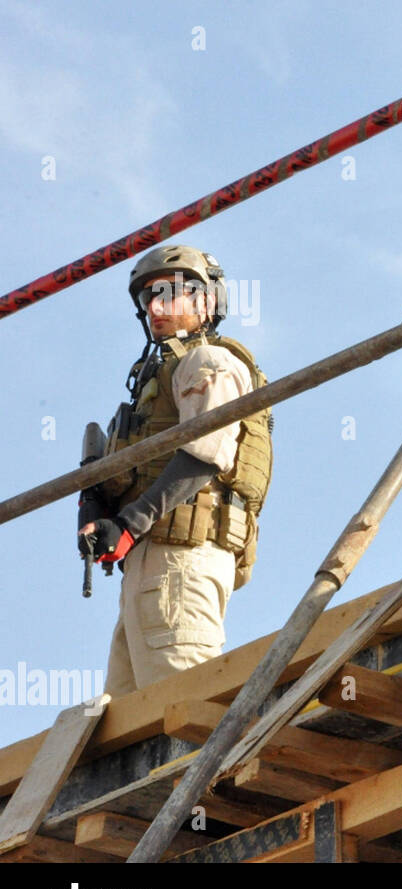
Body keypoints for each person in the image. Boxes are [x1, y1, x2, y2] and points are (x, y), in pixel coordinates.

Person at [78, 245, 273, 696]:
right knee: (130, 726)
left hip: (179, 560)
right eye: (148, 299)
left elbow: (205, 455)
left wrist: (128, 523)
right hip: (150, 565)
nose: (157, 308)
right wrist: (96, 502)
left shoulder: (206, 362)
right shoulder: (154, 384)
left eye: (171, 293)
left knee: (182, 710)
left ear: (208, 300)